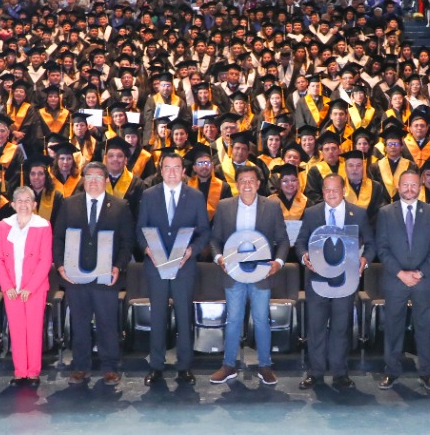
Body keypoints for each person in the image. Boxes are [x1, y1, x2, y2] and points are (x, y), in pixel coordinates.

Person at [209, 166, 290, 386]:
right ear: (236, 184)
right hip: (233, 271)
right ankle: (228, 365)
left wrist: (279, 262)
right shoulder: (225, 206)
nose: (246, 185)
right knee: (233, 319)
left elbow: (283, 240)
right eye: (242, 181)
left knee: (262, 320)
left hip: (262, 272)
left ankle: (265, 365)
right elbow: (214, 240)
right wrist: (219, 259)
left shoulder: (272, 206)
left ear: (258, 184)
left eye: (251, 181)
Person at [54, 162, 133, 384]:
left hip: (106, 277)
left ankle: (109, 366)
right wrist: (60, 266)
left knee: (107, 322)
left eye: (98, 177)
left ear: (106, 180)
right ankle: (81, 366)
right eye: (89, 177)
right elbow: (58, 237)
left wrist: (118, 266)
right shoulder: (69, 204)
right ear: (83, 180)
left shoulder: (120, 206)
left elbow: (128, 241)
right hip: (75, 277)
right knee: (79, 322)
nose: (93, 181)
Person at [136, 154, 210, 385]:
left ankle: (184, 366)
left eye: (176, 168)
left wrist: (191, 251)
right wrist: (149, 251)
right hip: (155, 265)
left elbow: (204, 232)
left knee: (183, 315)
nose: (171, 172)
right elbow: (140, 229)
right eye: (167, 168)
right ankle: (156, 366)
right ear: (160, 169)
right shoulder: (149, 195)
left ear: (183, 171)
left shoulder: (196, 196)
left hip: (184, 266)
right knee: (157, 315)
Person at [296, 173, 371, 389]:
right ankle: (315, 372)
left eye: (334, 189)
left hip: (345, 281)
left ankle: (340, 373)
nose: (330, 194)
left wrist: (365, 260)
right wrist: (304, 256)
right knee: (316, 327)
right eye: (326, 190)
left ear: (344, 190)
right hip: (316, 280)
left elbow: (372, 243)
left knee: (341, 327)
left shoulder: (358, 214)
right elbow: (301, 242)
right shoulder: (311, 213)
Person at [374, 169, 430, 391]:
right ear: (398, 186)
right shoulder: (385, 213)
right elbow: (382, 248)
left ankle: (426, 372)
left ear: (420, 187)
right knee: (393, 327)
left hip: (424, 280)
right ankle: (391, 370)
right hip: (396, 280)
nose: (410, 189)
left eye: (414, 185)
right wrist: (401, 273)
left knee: (424, 327)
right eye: (405, 185)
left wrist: (421, 272)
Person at [0, 186, 52, 387]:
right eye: (19, 200)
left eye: (28, 200)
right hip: (11, 288)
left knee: (34, 329)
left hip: (34, 288)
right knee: (16, 329)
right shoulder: (4, 225)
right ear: (12, 204)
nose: (24, 204)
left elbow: (46, 260)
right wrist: (7, 285)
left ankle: (33, 371)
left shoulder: (43, 225)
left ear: (35, 204)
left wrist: (31, 287)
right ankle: (20, 371)